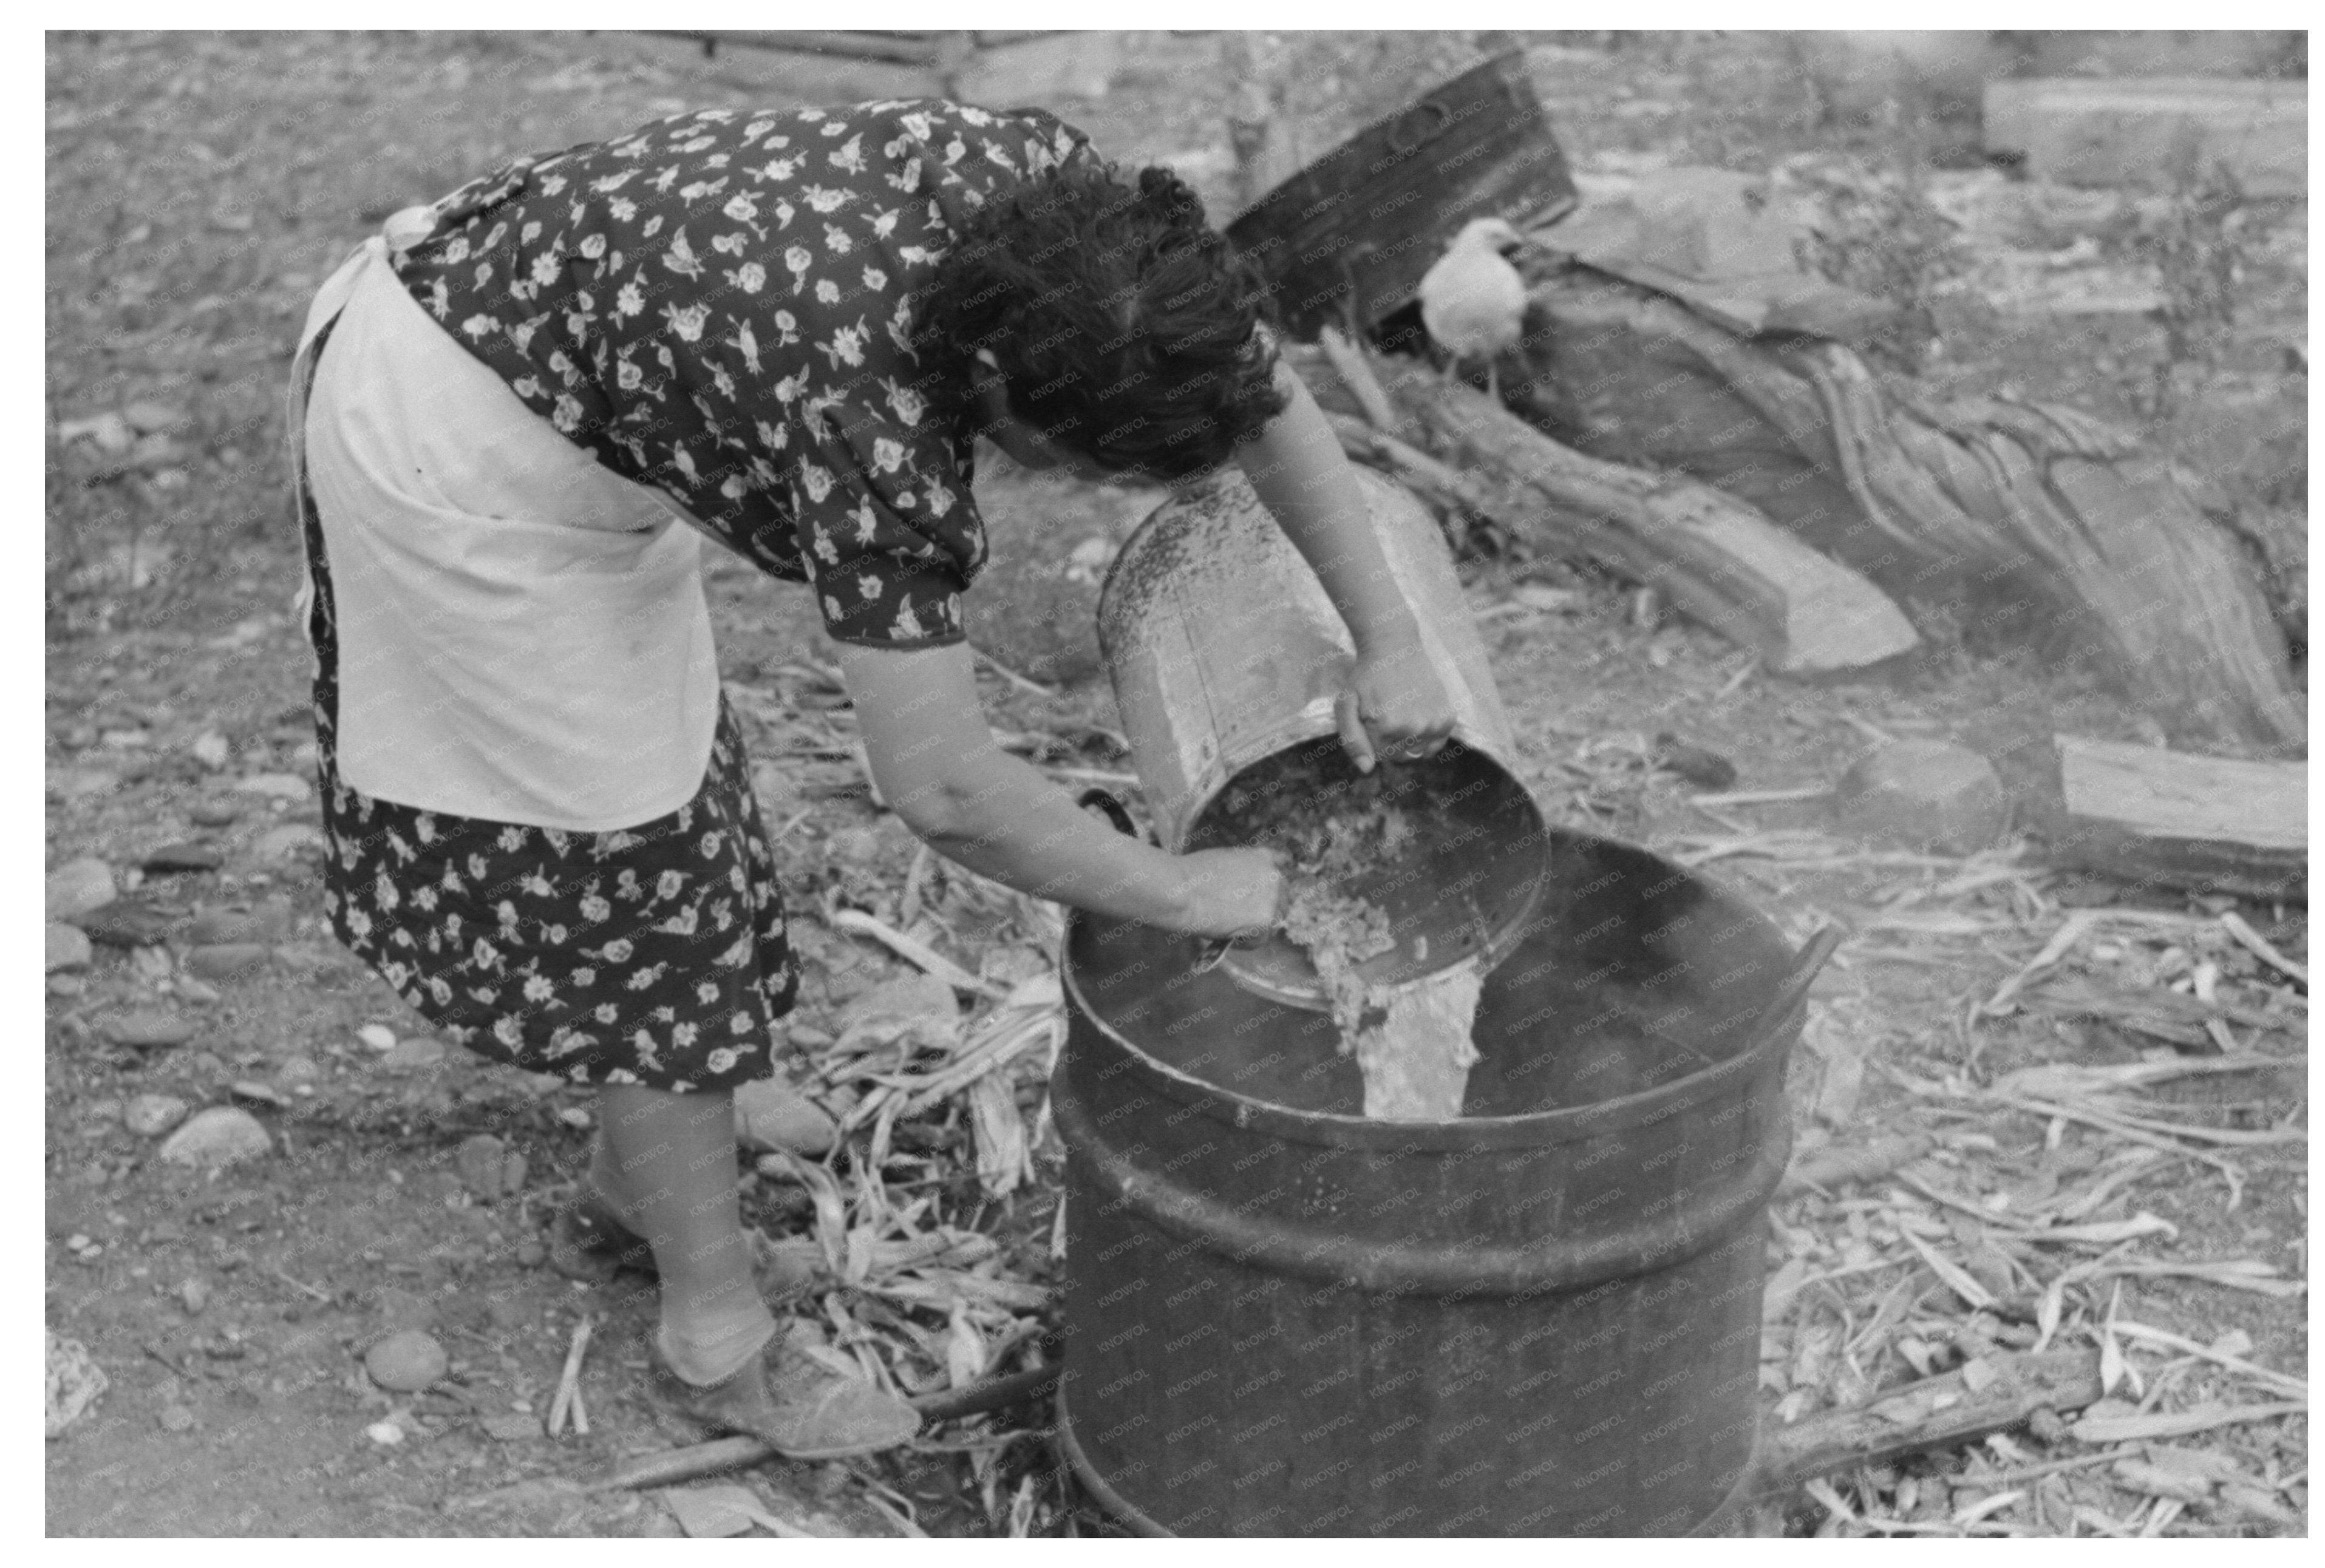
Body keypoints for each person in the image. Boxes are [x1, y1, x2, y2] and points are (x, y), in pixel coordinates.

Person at [287, 98, 1457, 1453]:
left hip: (569, 344)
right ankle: (713, 1336)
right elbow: (943, 786)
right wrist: (1192, 891)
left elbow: (1258, 390)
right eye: (1081, 466)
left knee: (669, 792)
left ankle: (641, 1171)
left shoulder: (1091, 234)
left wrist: (1390, 637)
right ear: (998, 391)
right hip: (456, 436)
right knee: (631, 888)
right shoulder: (870, 406)